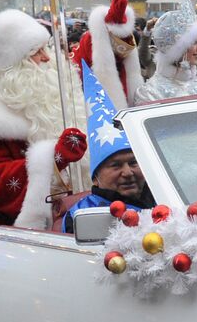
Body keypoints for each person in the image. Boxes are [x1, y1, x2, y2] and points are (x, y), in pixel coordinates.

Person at [0, 9, 88, 229]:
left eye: (46, 47)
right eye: (36, 52)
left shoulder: (52, 95)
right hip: (29, 232)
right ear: (11, 66)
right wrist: (53, 158)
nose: (47, 58)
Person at [61, 69, 155, 234]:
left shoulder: (163, 196)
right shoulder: (82, 214)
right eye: (116, 165)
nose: (127, 172)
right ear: (95, 178)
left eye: (133, 163)